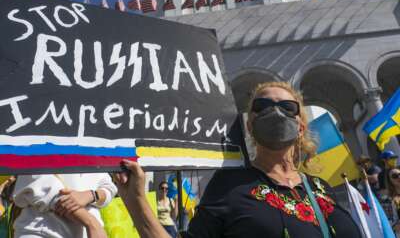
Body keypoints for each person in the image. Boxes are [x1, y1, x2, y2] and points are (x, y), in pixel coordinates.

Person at [115, 81, 362, 238]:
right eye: (262, 106)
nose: (275, 112)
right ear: (250, 125)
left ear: (301, 126)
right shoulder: (229, 186)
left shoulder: (321, 187)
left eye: (287, 107)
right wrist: (136, 201)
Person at [12, 173, 117, 238]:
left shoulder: (93, 145)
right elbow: (43, 186)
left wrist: (91, 195)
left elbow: (109, 187)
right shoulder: (36, 139)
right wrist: (92, 223)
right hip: (42, 232)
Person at [385, 167, 400, 235]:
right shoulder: (389, 200)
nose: (399, 177)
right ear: (390, 181)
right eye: (395, 176)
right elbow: (391, 224)